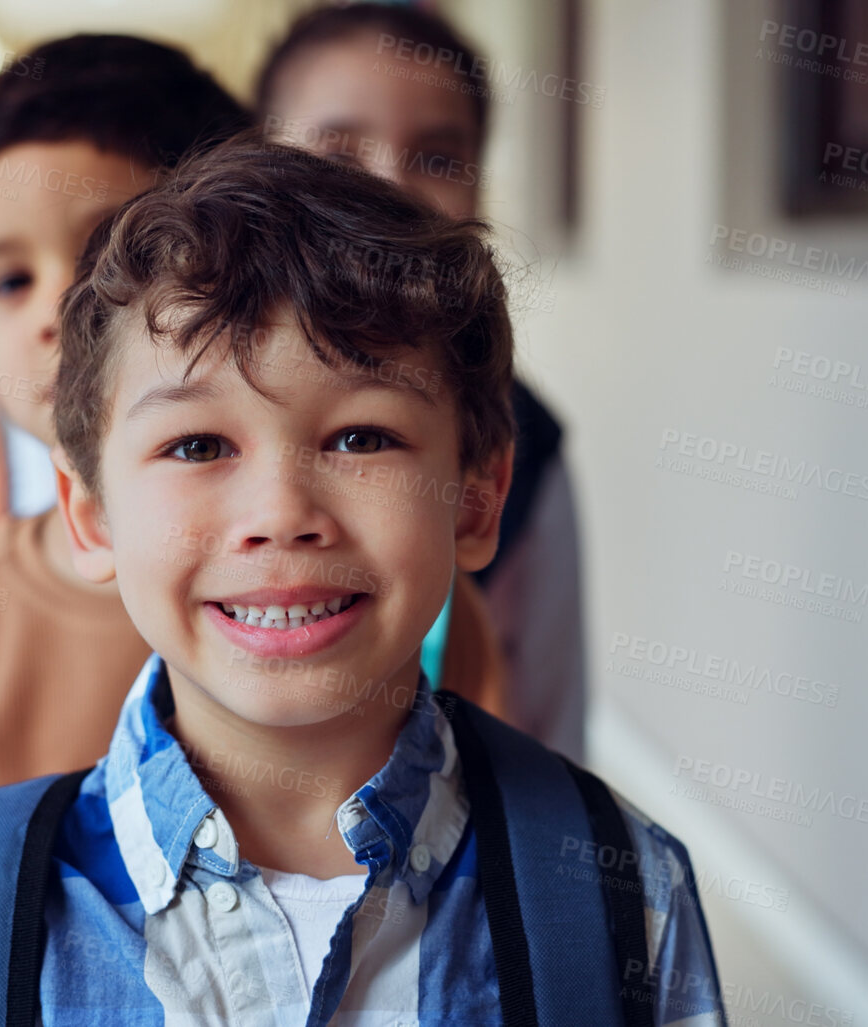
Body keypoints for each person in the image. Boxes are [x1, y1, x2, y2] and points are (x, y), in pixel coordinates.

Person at [0, 139, 723, 1025]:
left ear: (478, 496)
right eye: (196, 445)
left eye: (360, 437)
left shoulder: (620, 894)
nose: (280, 512)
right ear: (89, 512)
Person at [0, 34, 512, 955]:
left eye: (110, 254)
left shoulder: (419, 615)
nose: (56, 311)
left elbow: (513, 881)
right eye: (7, 279)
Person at [257, 2, 591, 761]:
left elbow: (550, 711)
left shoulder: (524, 443)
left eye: (438, 159)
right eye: (338, 150)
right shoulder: (167, 403)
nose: (389, 187)